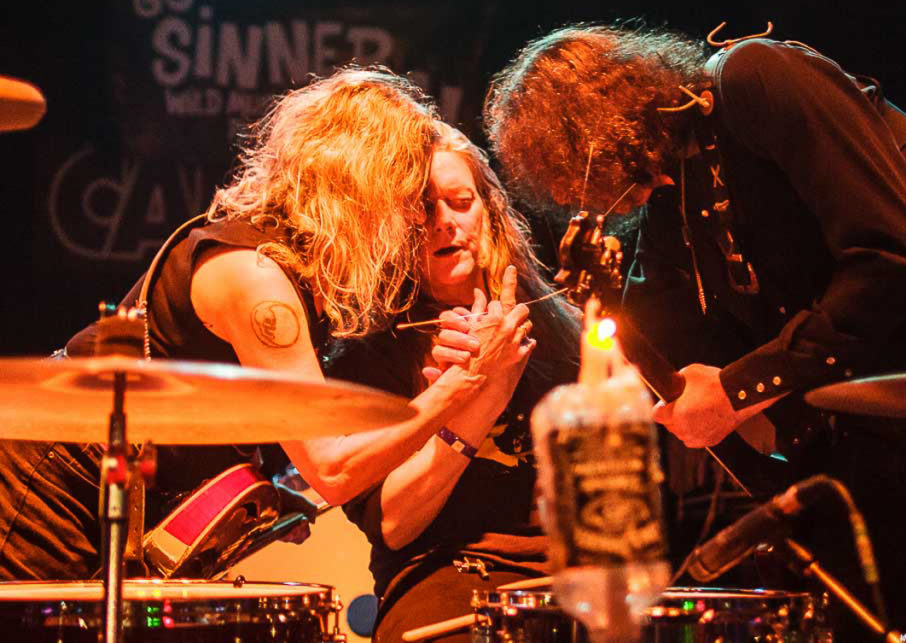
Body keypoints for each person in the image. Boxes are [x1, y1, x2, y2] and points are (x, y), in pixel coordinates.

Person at [480, 24, 906, 632]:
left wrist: (741, 389)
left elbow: (895, 257)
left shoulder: (756, 78)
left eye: (571, 172)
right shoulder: (677, 186)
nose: (578, 195)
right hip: (892, 419)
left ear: (600, 129)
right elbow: (658, 319)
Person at [0, 67, 538, 582]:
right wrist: (463, 385)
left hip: (122, 494)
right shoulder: (257, 279)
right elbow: (331, 470)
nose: (417, 219)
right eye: (406, 198)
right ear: (363, 189)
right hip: (50, 483)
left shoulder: (297, 272)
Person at [327, 121, 580, 641]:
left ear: (490, 212)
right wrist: (479, 393)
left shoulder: (562, 325)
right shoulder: (368, 357)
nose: (444, 222)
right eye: (422, 209)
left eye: (461, 201)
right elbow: (395, 525)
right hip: (450, 574)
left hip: (573, 576)